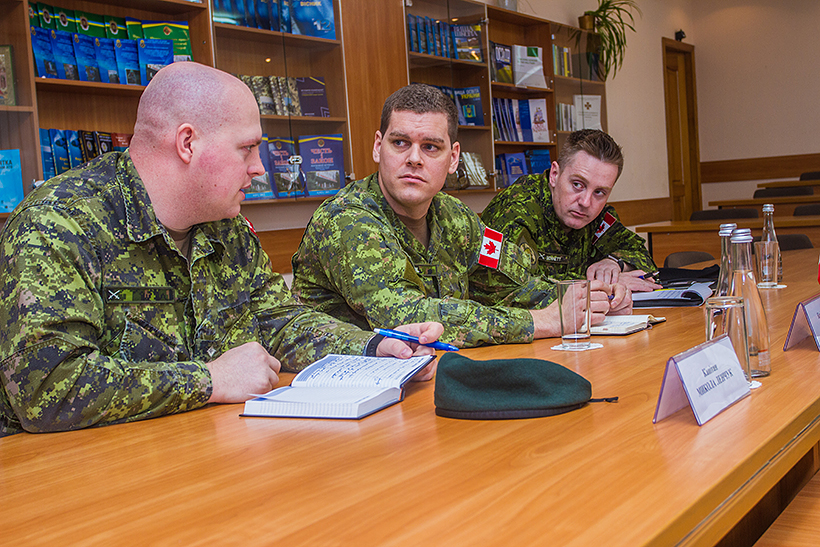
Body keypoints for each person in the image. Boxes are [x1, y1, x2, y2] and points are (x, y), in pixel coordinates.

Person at [0, 63, 442, 437]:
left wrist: (375, 347)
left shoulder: (224, 224)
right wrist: (208, 380)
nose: (258, 168)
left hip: (204, 451)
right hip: (80, 479)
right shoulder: (58, 224)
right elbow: (46, 387)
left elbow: (278, 320)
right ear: (187, 143)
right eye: (247, 148)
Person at [291, 84, 631, 349]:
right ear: (378, 147)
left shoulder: (455, 217)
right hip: (346, 392)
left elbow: (512, 283)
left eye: (430, 147)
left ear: (453, 158)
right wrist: (543, 322)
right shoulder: (348, 220)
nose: (414, 158)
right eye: (400, 143)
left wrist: (587, 299)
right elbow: (408, 318)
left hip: (431, 375)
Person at [481, 129, 660, 292]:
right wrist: (599, 286)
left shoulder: (599, 218)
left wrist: (614, 264)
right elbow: (502, 290)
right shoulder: (516, 209)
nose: (586, 202)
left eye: (599, 192)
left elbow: (644, 260)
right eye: (577, 184)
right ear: (554, 175)